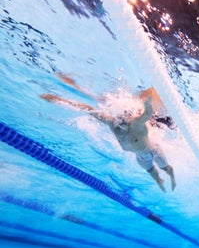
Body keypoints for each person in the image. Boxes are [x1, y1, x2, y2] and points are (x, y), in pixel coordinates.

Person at [41, 81, 176, 192]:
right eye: (119, 117)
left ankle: (172, 178)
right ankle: (159, 181)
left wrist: (147, 104)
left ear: (130, 116)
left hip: (153, 150)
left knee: (166, 168)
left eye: (126, 117)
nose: (121, 120)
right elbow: (89, 109)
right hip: (140, 156)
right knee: (151, 171)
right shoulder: (113, 124)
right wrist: (59, 100)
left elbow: (146, 115)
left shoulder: (136, 124)